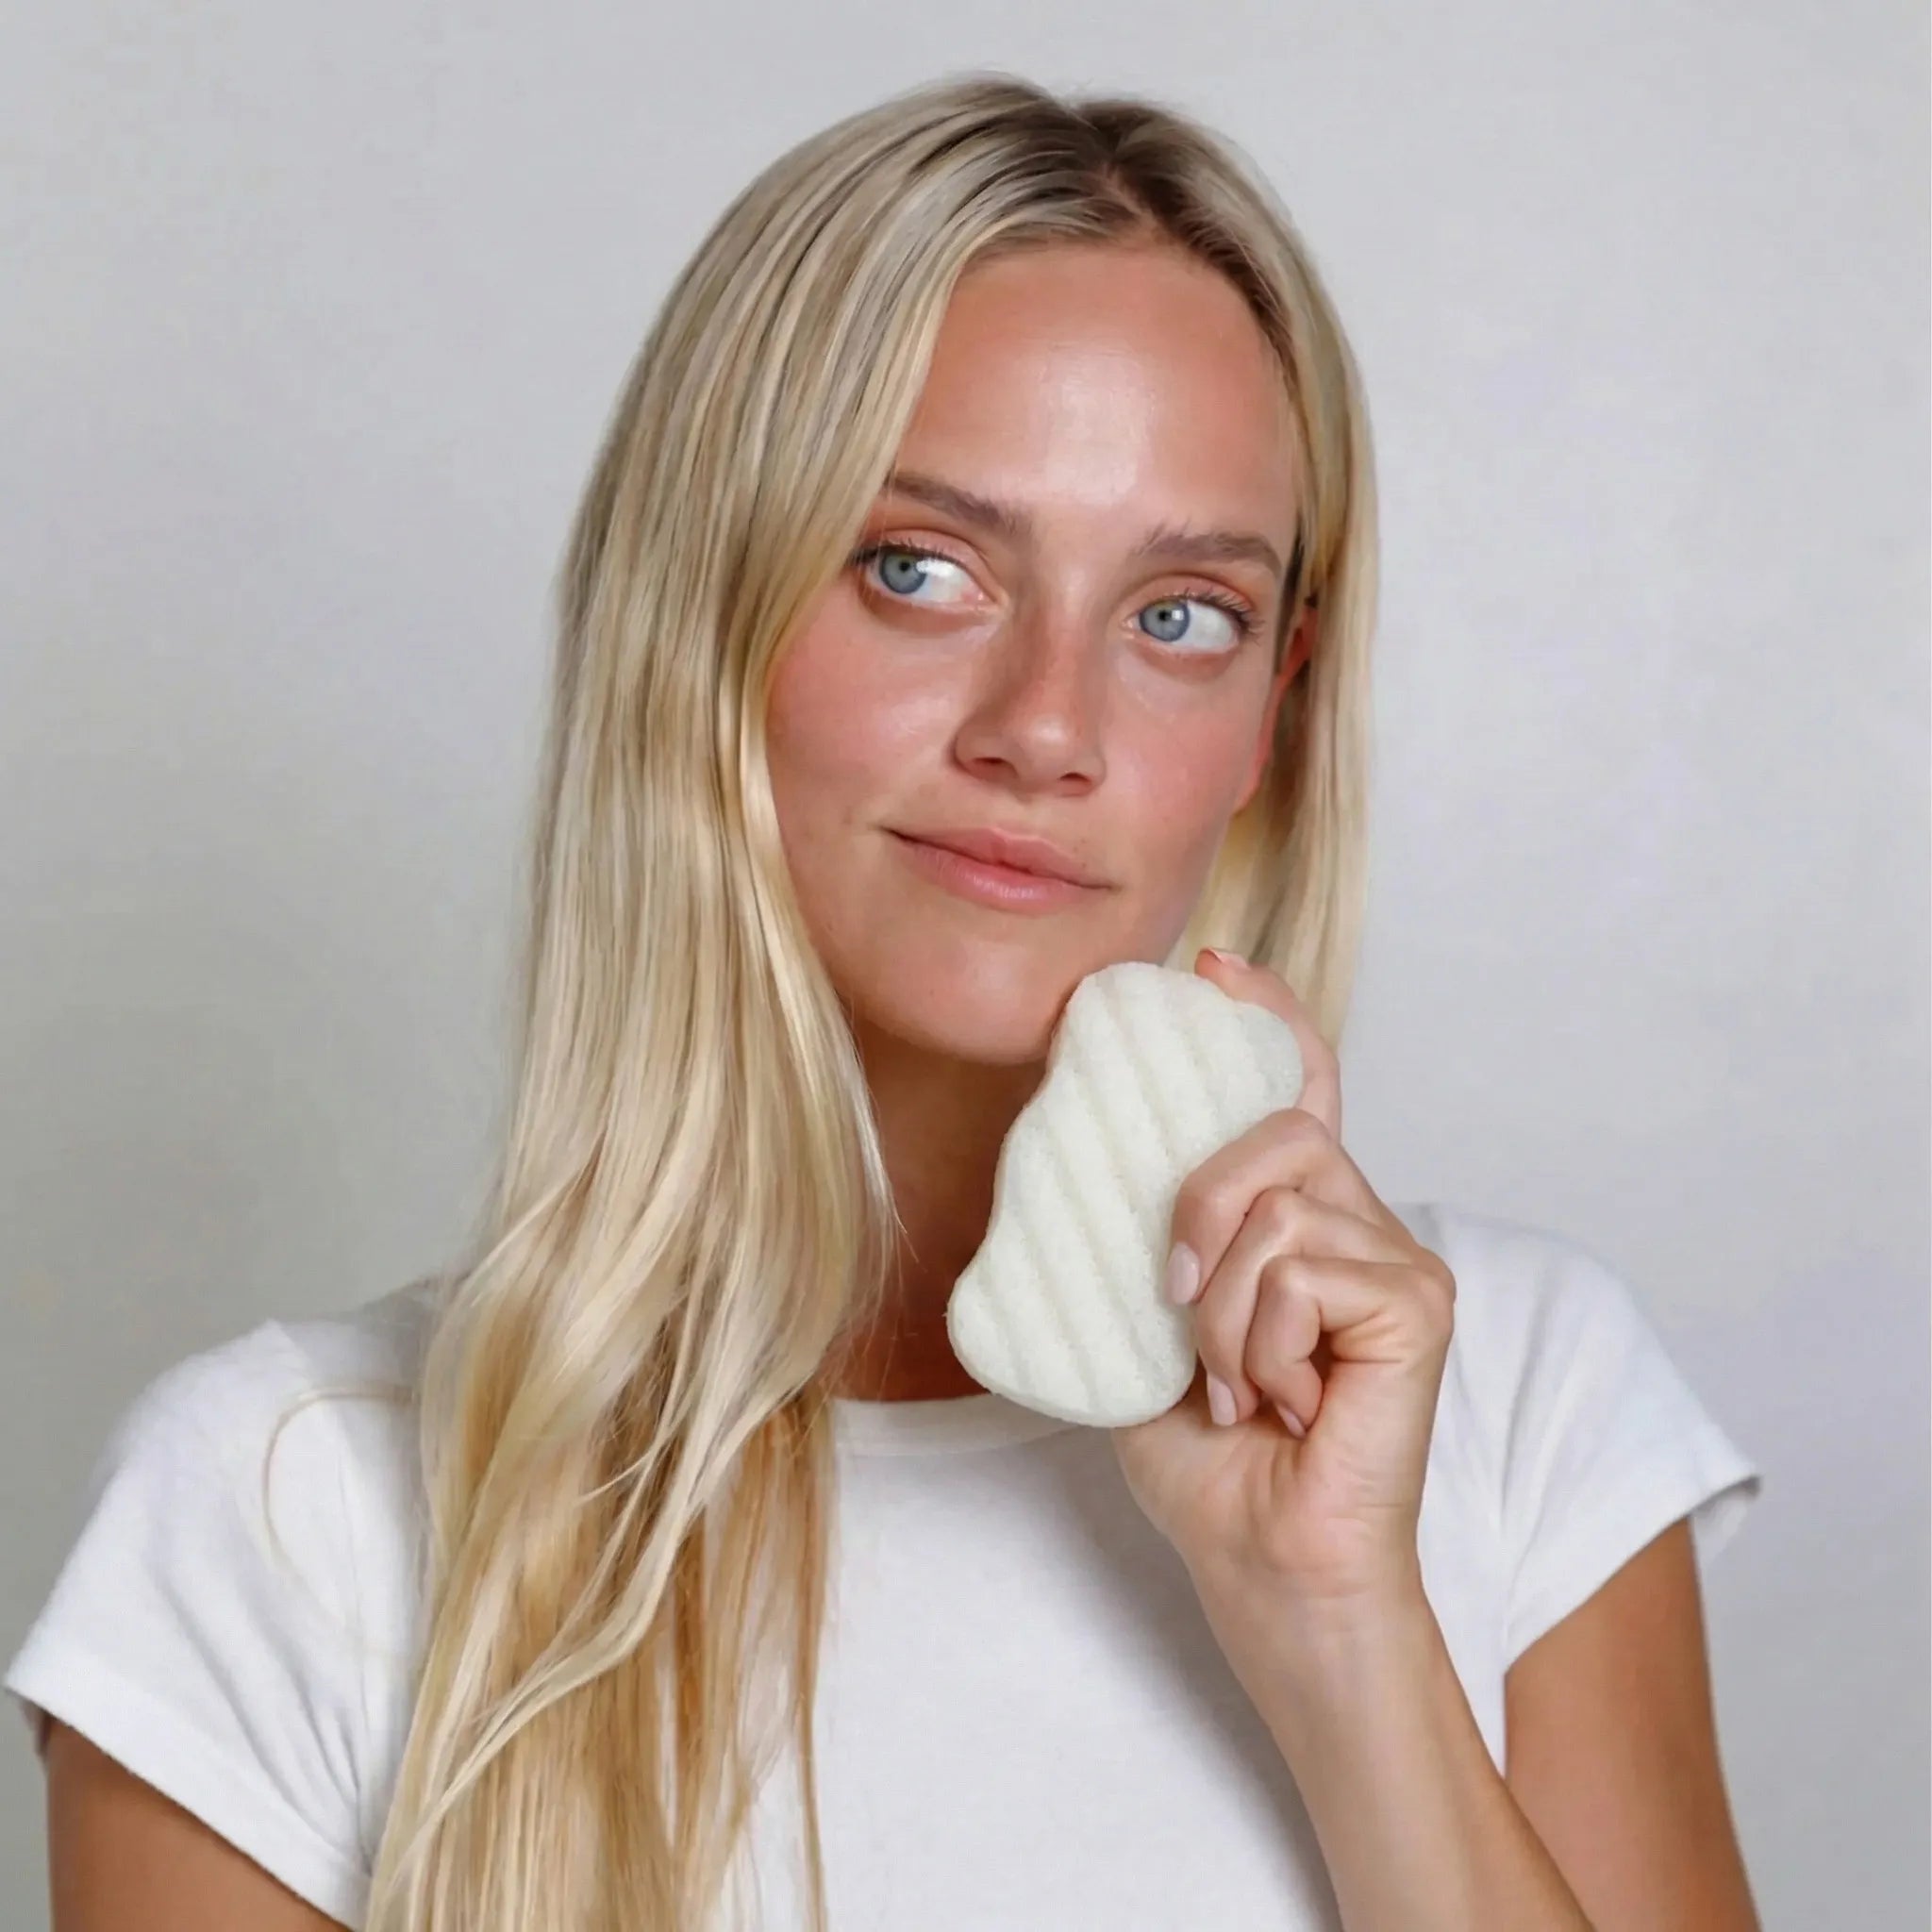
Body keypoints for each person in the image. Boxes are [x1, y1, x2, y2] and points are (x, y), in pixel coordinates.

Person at [7, 70, 1766, 1932]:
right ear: (707, 611)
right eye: (918, 570)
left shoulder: (1515, 1408)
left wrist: (1339, 1629)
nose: (1044, 726)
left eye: (1179, 613)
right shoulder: (285, 1516)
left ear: (1275, 713)